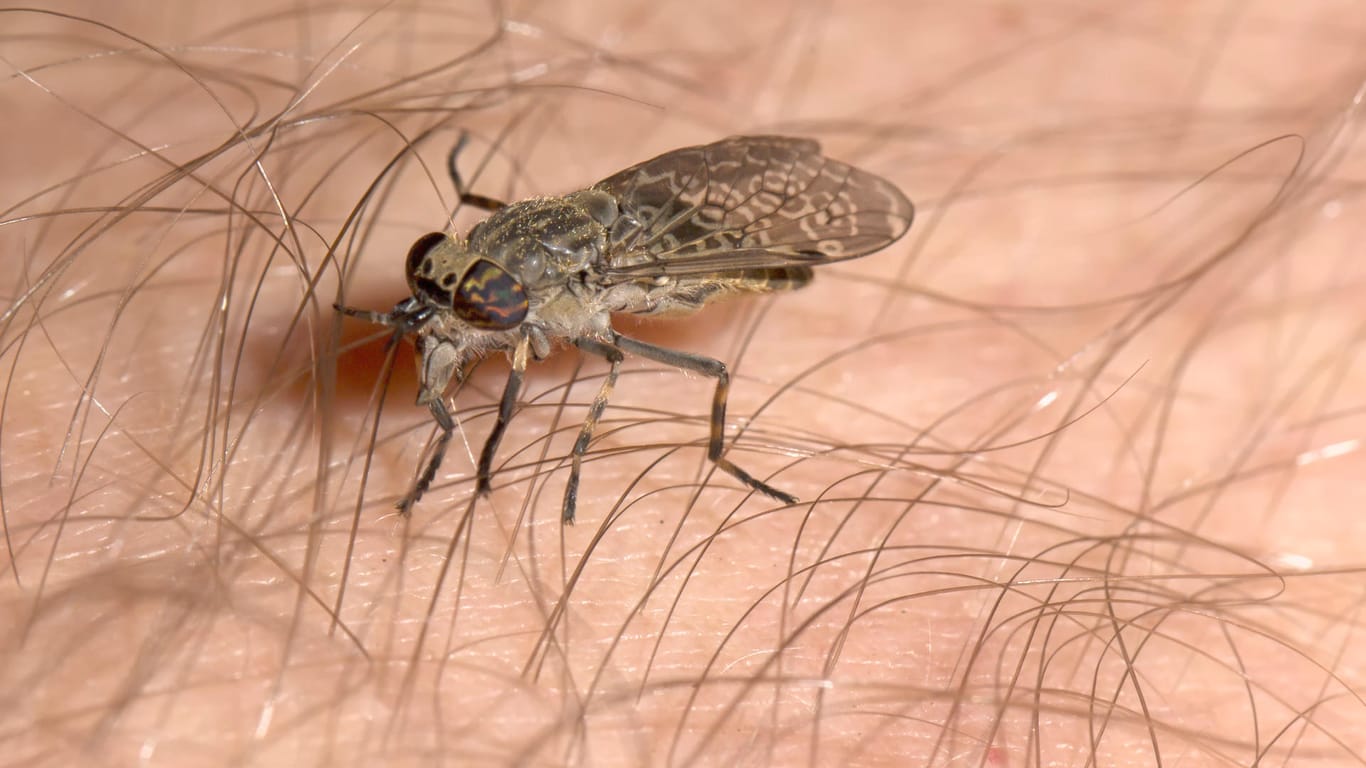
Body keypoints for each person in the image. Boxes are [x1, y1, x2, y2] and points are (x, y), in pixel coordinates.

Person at [3, 2, 1361, 765]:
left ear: (514, 296)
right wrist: (465, 273)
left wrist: (477, 438)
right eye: (443, 270)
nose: (438, 300)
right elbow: (498, 251)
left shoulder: (546, 311)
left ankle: (708, 458)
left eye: (461, 294)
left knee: (618, 373)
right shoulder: (490, 271)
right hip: (600, 230)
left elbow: (548, 343)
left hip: (686, 253)